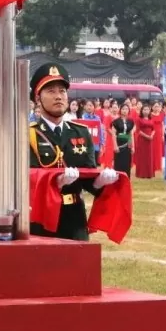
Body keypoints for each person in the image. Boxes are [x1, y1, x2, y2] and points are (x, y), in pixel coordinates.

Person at [28, 62, 118, 241]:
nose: (58, 97)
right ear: (38, 98)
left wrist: (101, 182)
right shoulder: (28, 134)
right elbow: (28, 180)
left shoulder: (80, 132)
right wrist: (56, 183)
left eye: (62, 91)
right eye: (51, 91)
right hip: (43, 219)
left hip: (75, 217)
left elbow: (88, 179)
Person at [111, 105, 135, 175]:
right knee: (118, 163)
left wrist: (132, 146)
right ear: (120, 110)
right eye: (123, 109)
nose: (125, 111)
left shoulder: (131, 121)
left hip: (127, 145)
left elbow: (131, 134)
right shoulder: (116, 121)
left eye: (126, 109)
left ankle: (126, 179)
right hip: (119, 144)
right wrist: (115, 146)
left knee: (127, 163)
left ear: (129, 111)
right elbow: (113, 134)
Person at [133, 105, 156, 179]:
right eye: (144, 110)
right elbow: (138, 130)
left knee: (149, 156)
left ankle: (149, 173)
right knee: (142, 156)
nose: (146, 111)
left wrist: (151, 135)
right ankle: (141, 173)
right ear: (142, 111)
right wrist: (147, 136)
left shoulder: (151, 119)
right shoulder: (138, 119)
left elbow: (154, 129)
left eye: (147, 110)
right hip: (142, 139)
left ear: (149, 111)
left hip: (150, 140)